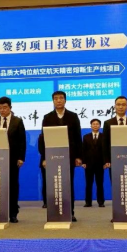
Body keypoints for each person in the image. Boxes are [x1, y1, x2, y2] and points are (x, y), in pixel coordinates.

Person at [39, 91, 82, 221]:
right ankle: (54, 212)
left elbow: (77, 137)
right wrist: (44, 158)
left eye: (61, 98)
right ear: (53, 101)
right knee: (54, 184)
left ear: (65, 100)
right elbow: (43, 139)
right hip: (52, 157)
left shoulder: (73, 116)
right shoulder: (47, 117)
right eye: (56, 98)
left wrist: (78, 156)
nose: (58, 100)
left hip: (69, 156)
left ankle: (70, 212)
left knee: (68, 184)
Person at [0, 96, 26, 223]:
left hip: (13, 159)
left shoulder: (17, 121)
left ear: (10, 107)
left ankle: (13, 213)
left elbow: (22, 141)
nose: (2, 110)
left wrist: (21, 157)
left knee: (12, 186)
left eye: (4, 107)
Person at [102, 96, 127, 187]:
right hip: (114, 160)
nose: (121, 107)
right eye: (118, 104)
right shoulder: (108, 123)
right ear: (115, 106)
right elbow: (105, 143)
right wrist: (107, 160)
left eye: (123, 105)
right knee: (116, 185)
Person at [82, 119, 105, 208]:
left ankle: (101, 202)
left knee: (100, 183)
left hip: (100, 164)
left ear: (100, 126)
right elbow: (83, 150)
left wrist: (105, 162)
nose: (95, 125)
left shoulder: (104, 136)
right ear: (91, 126)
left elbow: (106, 151)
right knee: (88, 183)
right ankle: (88, 202)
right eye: (93, 124)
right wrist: (83, 162)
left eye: (97, 124)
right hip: (89, 164)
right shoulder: (86, 137)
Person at [38, 133, 47, 208]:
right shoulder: (41, 136)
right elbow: (41, 149)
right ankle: (46, 202)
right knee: (46, 182)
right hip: (45, 161)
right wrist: (45, 159)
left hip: (58, 160)